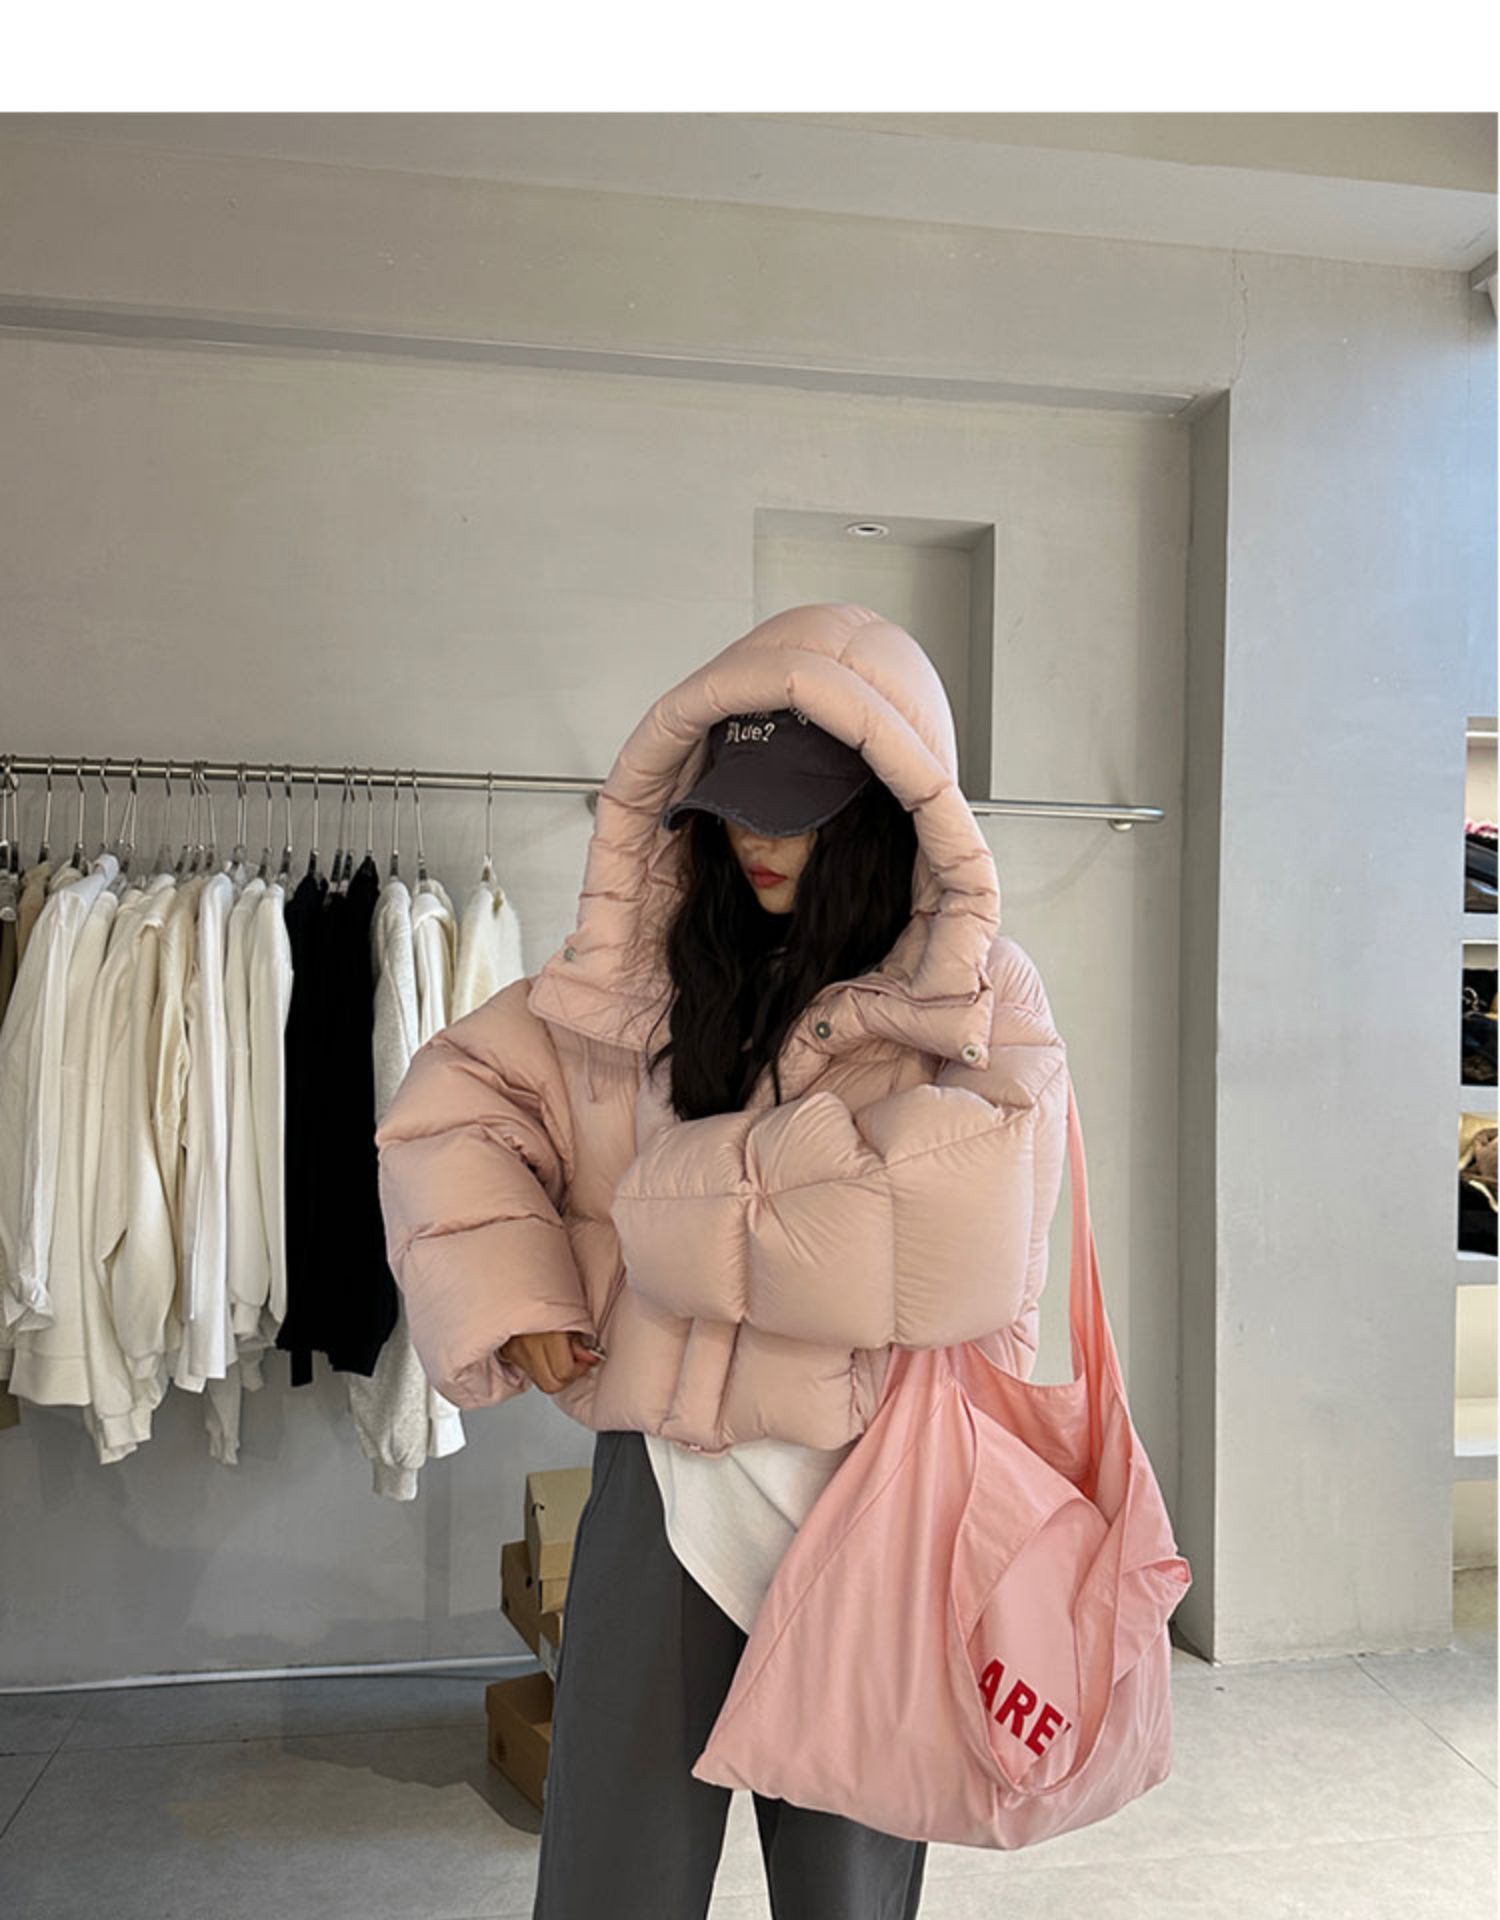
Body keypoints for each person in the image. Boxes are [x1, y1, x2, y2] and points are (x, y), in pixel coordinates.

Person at [374, 602, 1071, 1920]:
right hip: (661, 1491)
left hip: (871, 1499)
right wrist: (523, 1290)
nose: (758, 839)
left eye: (798, 812)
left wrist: (654, 1216)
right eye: (735, 807)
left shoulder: (982, 994)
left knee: (847, 1892)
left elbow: (949, 1241)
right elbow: (448, 1111)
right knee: (610, 1877)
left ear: (886, 811)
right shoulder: (639, 982)